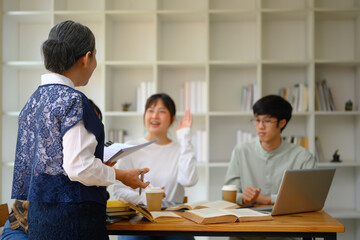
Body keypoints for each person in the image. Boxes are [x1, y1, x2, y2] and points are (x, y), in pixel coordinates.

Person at [10, 20, 149, 240]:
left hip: (39, 219)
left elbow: (54, 166)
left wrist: (98, 166)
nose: (95, 64)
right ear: (86, 58)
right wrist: (121, 175)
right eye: (95, 56)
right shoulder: (73, 101)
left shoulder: (34, 101)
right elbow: (79, 168)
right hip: (73, 222)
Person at [113, 93, 198, 240]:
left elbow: (189, 181)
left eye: (162, 111)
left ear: (172, 119)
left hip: (173, 221)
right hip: (138, 220)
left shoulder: (181, 148)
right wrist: (145, 198)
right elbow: (118, 190)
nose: (155, 116)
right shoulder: (130, 147)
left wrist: (185, 138)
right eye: (150, 110)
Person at [224, 95, 315, 207]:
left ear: (282, 123)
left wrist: (267, 199)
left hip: (289, 220)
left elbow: (309, 198)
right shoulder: (241, 151)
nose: (260, 126)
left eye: (267, 121)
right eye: (257, 120)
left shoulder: (303, 157)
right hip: (249, 219)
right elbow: (227, 194)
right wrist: (244, 198)